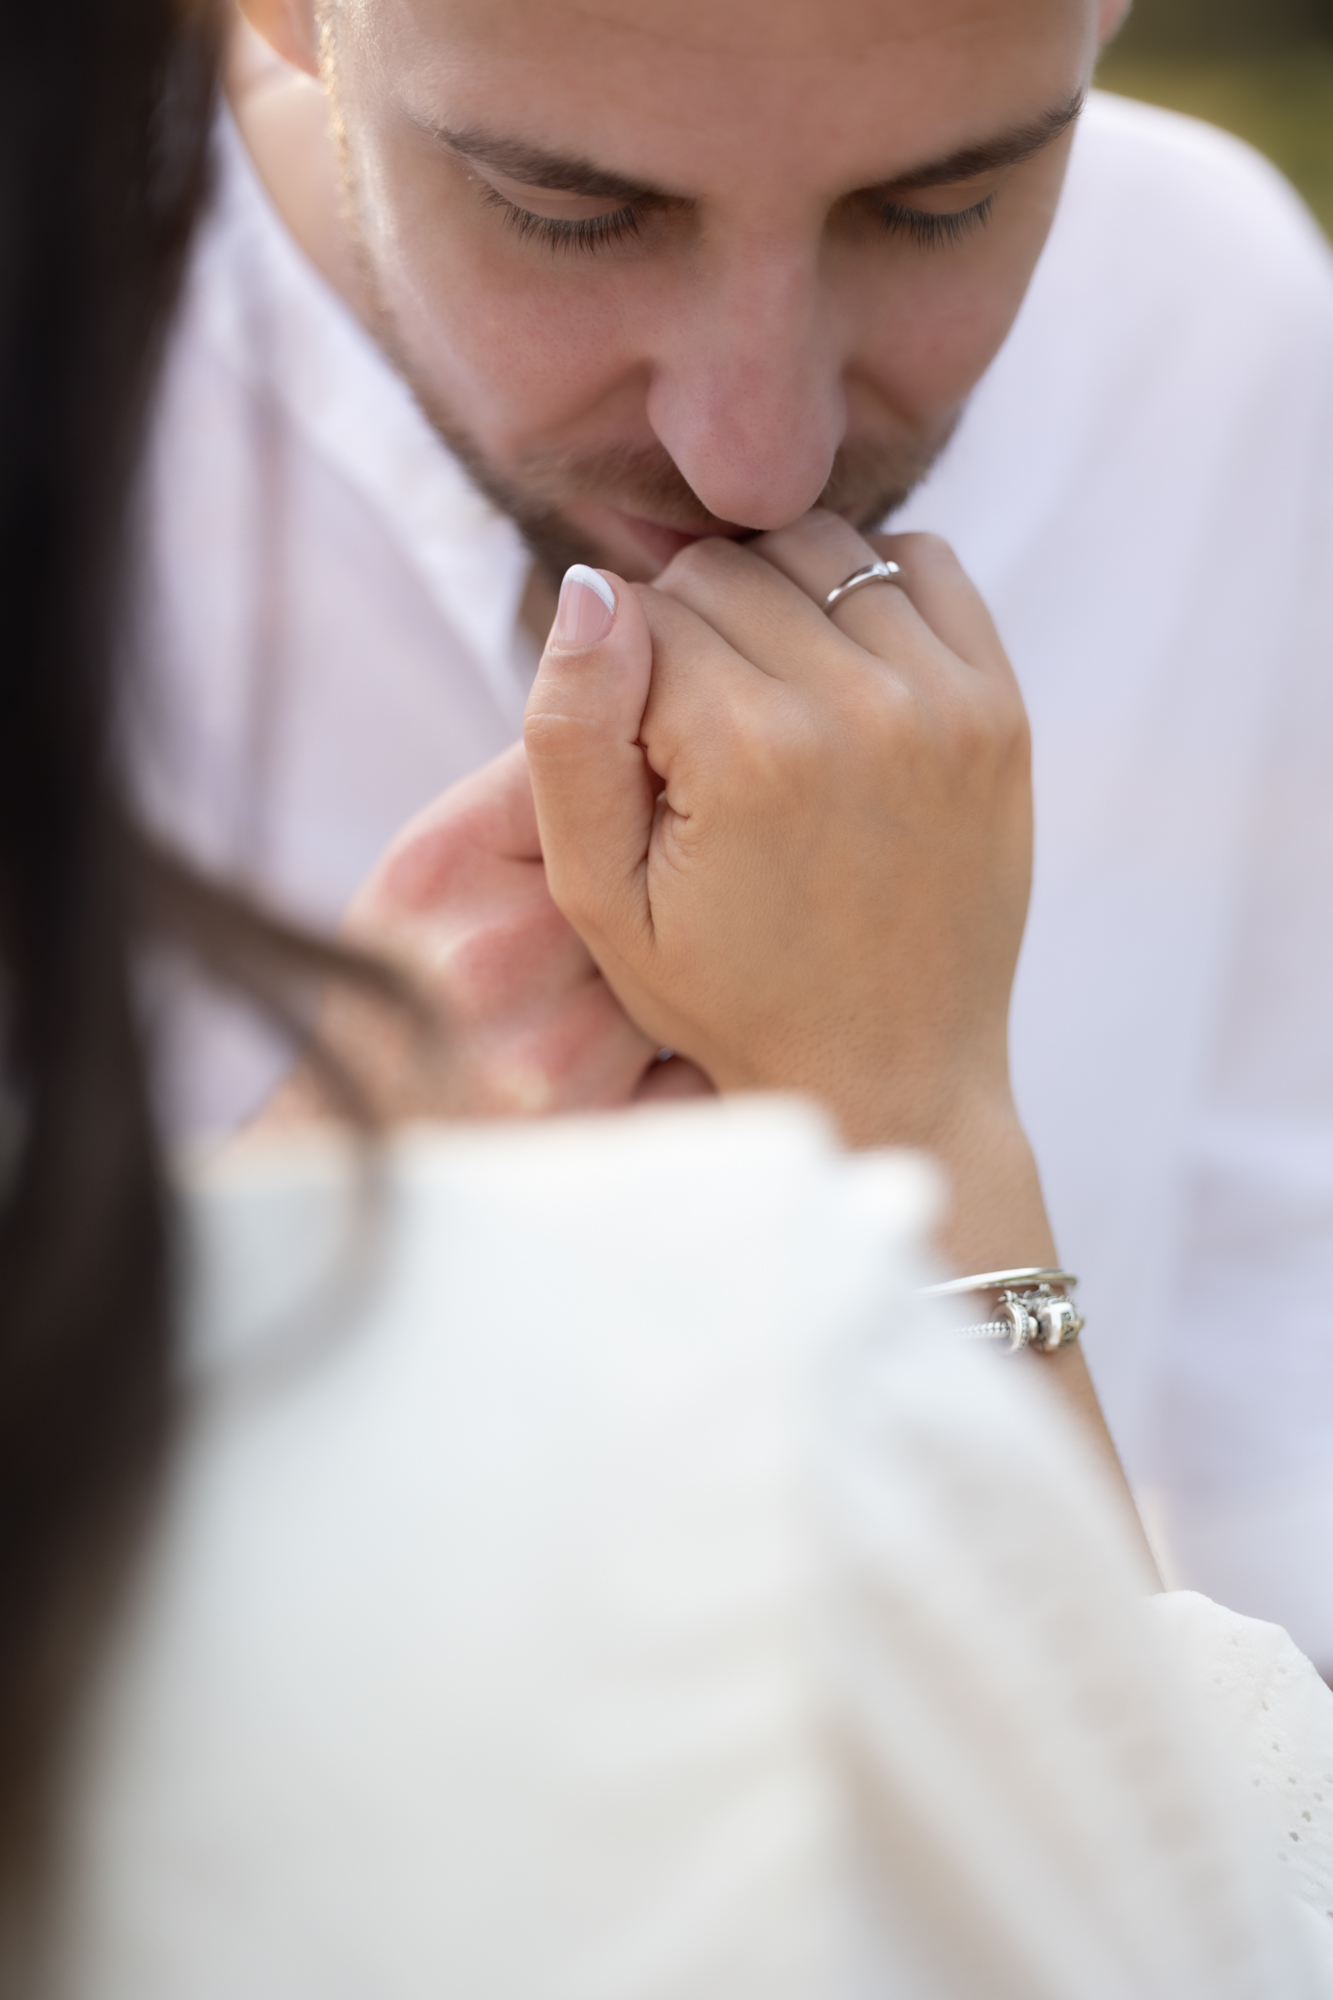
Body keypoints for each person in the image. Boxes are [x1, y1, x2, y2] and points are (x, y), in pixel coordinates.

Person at [5, 0, 1333, 1991]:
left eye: (941, 203)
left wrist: (927, 1144)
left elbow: (1282, 1508)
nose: (758, 441)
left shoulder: (1214, 345)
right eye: (566, 212)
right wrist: (299, 1245)